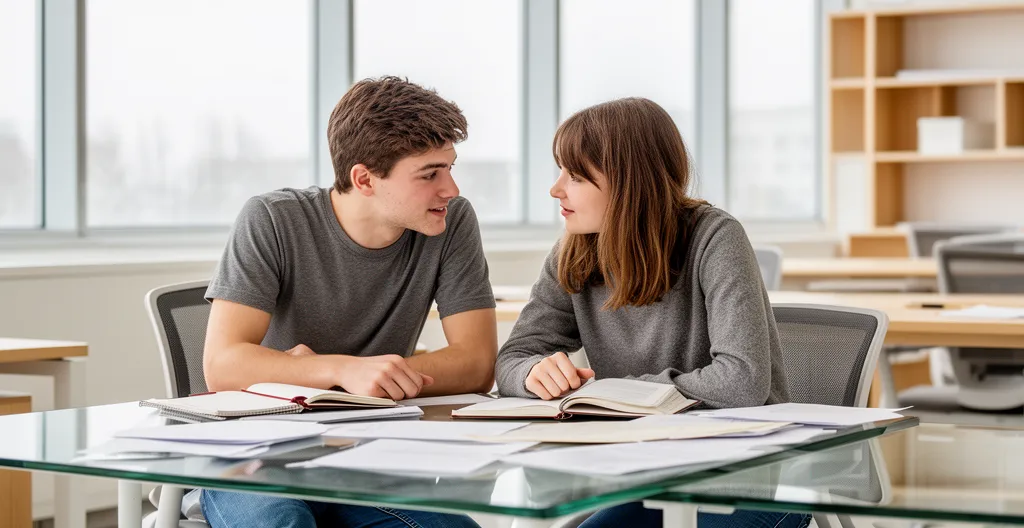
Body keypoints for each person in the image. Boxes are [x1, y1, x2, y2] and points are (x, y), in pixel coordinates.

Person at [494, 97, 808, 528]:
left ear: (628, 182)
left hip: (746, 476)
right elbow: (511, 360)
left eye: (576, 176)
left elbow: (741, 381)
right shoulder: (574, 252)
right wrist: (532, 373)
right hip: (646, 478)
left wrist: (618, 394)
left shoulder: (716, 237)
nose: (556, 189)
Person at [200, 76, 496, 528]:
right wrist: (343, 371)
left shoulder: (451, 222)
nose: (450, 188)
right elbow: (223, 365)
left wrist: (368, 380)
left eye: (450, 168)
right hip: (255, 451)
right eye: (430, 174)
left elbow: (476, 363)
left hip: (369, 456)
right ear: (364, 179)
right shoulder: (273, 219)